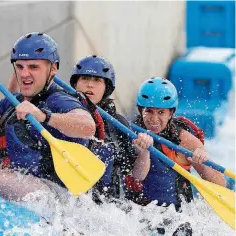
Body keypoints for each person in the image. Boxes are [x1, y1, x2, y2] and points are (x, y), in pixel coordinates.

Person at [0, 32, 96, 201]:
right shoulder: (12, 104)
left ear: (54, 68)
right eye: (20, 67)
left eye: (33, 67)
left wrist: (44, 116)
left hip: (58, 197)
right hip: (26, 190)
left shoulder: (61, 100)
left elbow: (88, 126)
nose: (24, 74)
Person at [126, 77, 226, 210]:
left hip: (176, 215)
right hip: (139, 212)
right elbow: (138, 176)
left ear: (171, 113)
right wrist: (144, 151)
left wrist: (204, 161)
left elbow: (220, 186)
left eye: (161, 112)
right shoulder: (131, 133)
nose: (154, 119)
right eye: (149, 111)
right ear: (140, 111)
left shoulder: (185, 140)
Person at [69, 55, 152, 203]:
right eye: (85, 79)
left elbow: (138, 175)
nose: (89, 85)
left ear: (106, 88)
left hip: (109, 207)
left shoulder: (118, 124)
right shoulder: (62, 114)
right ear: (75, 84)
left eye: (97, 80)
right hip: (71, 199)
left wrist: (144, 152)